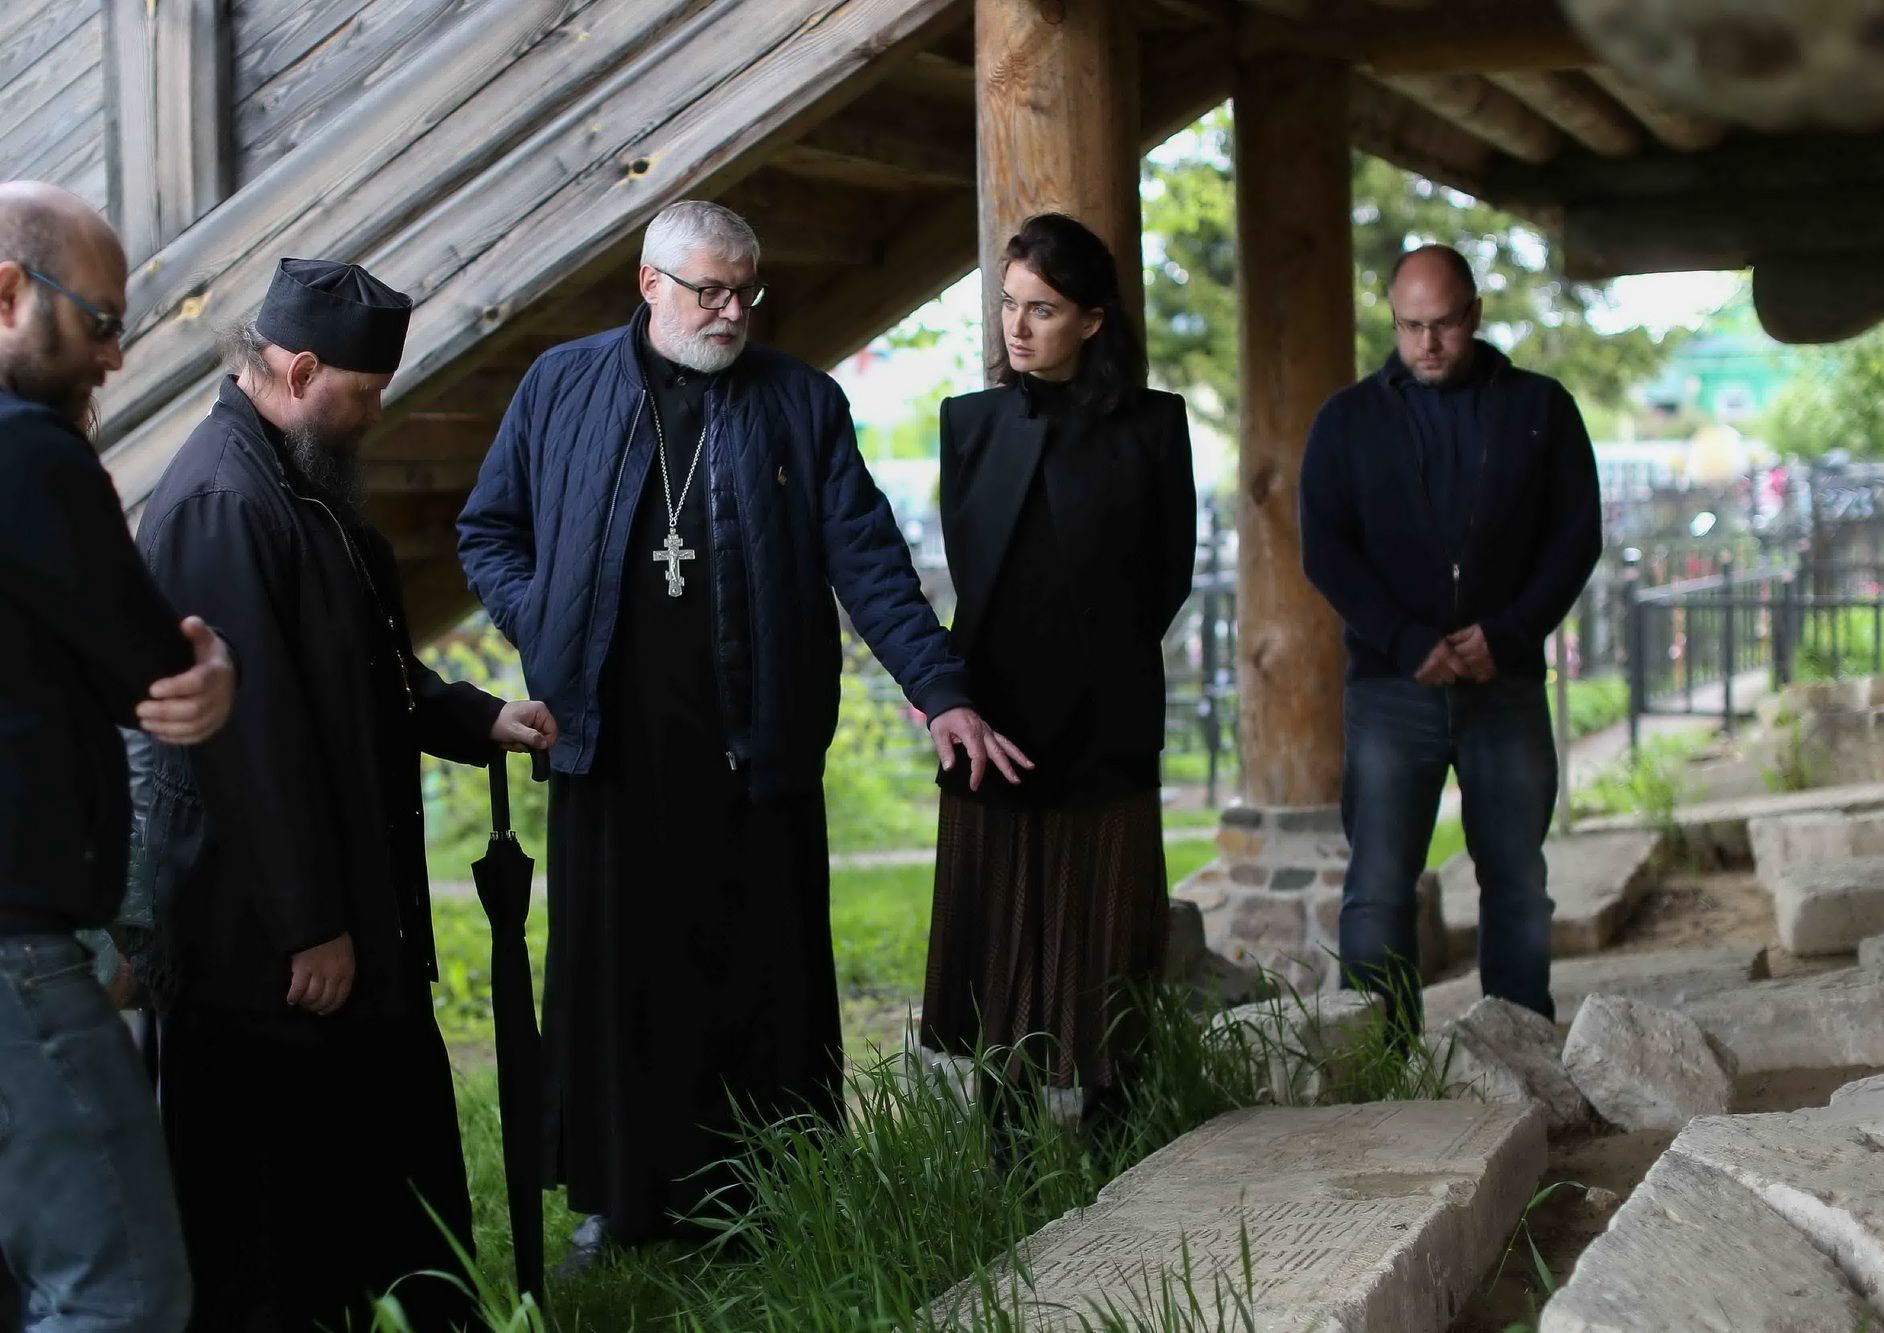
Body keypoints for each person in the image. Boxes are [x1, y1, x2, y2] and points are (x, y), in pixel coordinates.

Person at [457, 199, 1024, 1267]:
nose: (731, 312)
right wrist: (544, 621)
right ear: (650, 284)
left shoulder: (800, 402)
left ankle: (767, 1199)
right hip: (608, 753)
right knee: (618, 984)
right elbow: (488, 529)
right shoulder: (561, 384)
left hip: (751, 749)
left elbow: (868, 560)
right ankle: (617, 1203)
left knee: (755, 985)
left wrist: (940, 687)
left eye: (745, 292)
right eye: (709, 291)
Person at [134, 257, 557, 1330]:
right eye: (363, 394)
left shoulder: (295, 480)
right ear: (300, 370)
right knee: (272, 1203)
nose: (374, 415)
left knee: (371, 1152)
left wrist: (474, 718)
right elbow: (247, 740)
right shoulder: (224, 500)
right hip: (259, 938)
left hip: (334, 911)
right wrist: (307, 925)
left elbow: (358, 667)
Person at [0, 180, 236, 1332]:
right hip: (12, 950)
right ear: (7, 293)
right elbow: (157, 675)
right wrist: (211, 667)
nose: (113, 355)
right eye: (98, 320)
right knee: (120, 1293)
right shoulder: (27, 450)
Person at [918, 214, 1194, 1148]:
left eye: (1041, 309)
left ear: (1092, 319)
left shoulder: (1154, 425)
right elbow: (973, 570)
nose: (1017, 326)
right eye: (1009, 304)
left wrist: (1101, 665)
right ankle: (1002, 1136)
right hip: (993, 713)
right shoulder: (968, 423)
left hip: (1109, 711)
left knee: (1107, 918)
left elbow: (1168, 574)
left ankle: (1115, 1123)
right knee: (1001, 921)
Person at [1299, 243, 1602, 1032]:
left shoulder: (1540, 409)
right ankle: (1379, 1060)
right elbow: (1326, 550)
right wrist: (1405, 640)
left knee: (1517, 882)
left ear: (1474, 314)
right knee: (1378, 887)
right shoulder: (1347, 421)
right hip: (1391, 689)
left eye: (1442, 324)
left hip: (1505, 683)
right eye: (1410, 326)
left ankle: (1521, 1050)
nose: (1426, 343)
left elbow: (1576, 537)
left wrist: (1509, 632)